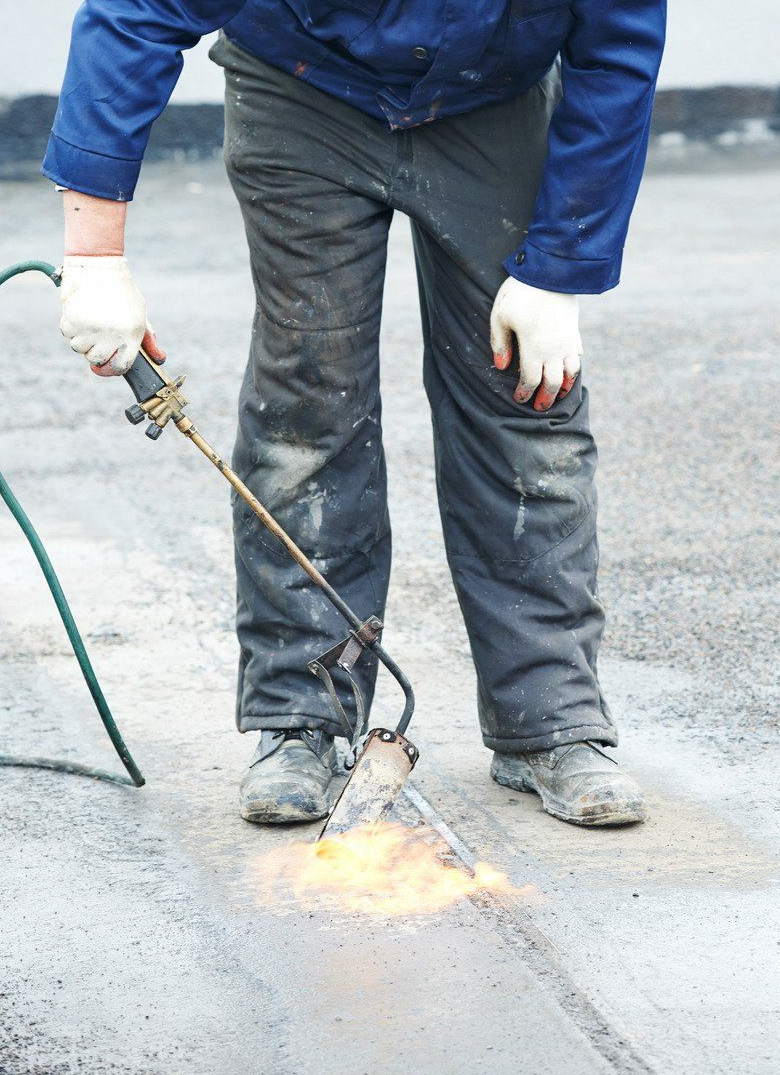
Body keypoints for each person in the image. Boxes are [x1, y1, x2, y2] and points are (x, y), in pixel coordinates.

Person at [46, 0, 667, 827]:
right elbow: (133, 14)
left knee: (527, 391)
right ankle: (301, 716)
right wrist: (94, 259)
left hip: (494, 95)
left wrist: (558, 270)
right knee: (308, 399)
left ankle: (548, 721)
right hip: (302, 87)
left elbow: (618, 46)